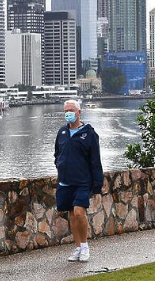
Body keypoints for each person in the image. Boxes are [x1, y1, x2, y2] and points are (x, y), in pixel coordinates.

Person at [54, 99, 103, 262]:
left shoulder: (89, 134)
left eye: (71, 110)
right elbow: (57, 154)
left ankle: (85, 246)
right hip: (65, 182)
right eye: (65, 110)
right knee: (72, 215)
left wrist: (97, 188)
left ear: (79, 112)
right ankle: (77, 248)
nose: (68, 113)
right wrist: (60, 165)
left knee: (79, 212)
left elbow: (96, 161)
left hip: (82, 182)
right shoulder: (62, 132)